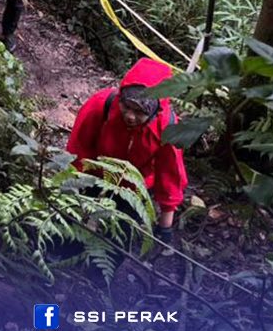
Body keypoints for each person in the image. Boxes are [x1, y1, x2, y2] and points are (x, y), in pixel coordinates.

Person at [65, 57, 188, 245]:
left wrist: (165, 227)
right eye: (126, 106)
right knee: (71, 228)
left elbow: (169, 176)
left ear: (155, 112)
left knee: (117, 240)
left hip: (134, 188)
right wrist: (72, 187)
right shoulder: (101, 106)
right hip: (93, 175)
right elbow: (79, 148)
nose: (130, 116)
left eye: (139, 112)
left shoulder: (167, 129)